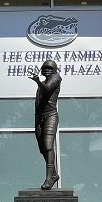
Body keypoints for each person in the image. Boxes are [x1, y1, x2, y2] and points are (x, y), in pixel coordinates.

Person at [30, 60, 62, 190]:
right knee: (42, 148)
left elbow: (48, 88)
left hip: (51, 116)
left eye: (49, 68)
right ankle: (53, 174)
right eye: (44, 68)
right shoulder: (42, 83)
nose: (47, 70)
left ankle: (49, 179)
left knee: (48, 146)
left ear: (54, 69)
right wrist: (37, 120)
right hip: (40, 118)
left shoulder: (56, 78)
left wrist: (37, 81)